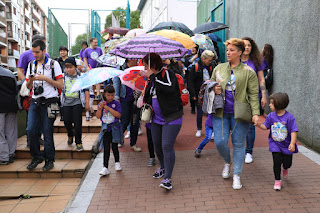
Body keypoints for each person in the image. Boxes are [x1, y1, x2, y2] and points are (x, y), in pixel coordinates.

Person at [211, 38, 260, 190]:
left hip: (240, 113)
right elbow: (210, 83)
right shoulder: (219, 68)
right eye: (227, 50)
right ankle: (227, 161)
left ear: (240, 52)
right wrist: (214, 88)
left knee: (239, 145)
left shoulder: (248, 72)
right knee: (219, 142)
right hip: (220, 112)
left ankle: (237, 175)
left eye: (232, 50)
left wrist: (256, 113)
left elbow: (253, 94)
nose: (228, 53)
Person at [143, 53, 183, 190]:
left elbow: (170, 88)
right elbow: (148, 98)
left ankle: (168, 179)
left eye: (146, 65)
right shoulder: (150, 78)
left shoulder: (168, 73)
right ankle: (163, 166)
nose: (144, 68)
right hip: (156, 119)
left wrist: (153, 78)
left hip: (172, 117)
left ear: (153, 65)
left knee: (166, 146)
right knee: (157, 145)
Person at [25, 40, 64, 171]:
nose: (35, 55)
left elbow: (61, 85)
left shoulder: (53, 64)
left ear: (44, 51)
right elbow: (28, 87)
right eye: (33, 52)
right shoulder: (31, 65)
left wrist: (45, 79)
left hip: (51, 102)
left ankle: (49, 159)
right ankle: (36, 157)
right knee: (31, 130)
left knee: (47, 131)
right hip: (35, 101)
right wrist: (30, 80)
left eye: (37, 52)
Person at [256, 93, 298, 191]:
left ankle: (285, 167)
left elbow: (293, 131)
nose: (269, 105)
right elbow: (265, 126)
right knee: (276, 162)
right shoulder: (271, 116)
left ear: (278, 104)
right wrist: (258, 124)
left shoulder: (289, 117)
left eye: (272, 103)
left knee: (288, 163)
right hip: (275, 144)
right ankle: (277, 180)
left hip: (287, 145)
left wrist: (292, 143)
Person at [241, 37, 267, 164]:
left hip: (253, 96)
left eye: (249, 45)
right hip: (238, 97)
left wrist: (264, 95)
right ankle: (240, 149)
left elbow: (261, 79)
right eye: (244, 45)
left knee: (251, 125)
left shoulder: (257, 61)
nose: (247, 47)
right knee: (239, 125)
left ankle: (248, 152)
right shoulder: (235, 60)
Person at [61, 57, 90, 151]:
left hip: (77, 102)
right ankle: (70, 134)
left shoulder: (81, 76)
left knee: (78, 123)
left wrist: (87, 103)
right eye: (67, 67)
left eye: (70, 67)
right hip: (66, 103)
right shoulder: (63, 77)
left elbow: (86, 90)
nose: (68, 69)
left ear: (75, 67)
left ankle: (78, 142)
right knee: (66, 121)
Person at [113, 59, 142, 152]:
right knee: (124, 121)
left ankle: (133, 143)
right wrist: (116, 97)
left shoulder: (138, 71)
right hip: (124, 99)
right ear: (129, 59)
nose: (136, 61)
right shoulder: (121, 70)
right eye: (134, 59)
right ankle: (119, 140)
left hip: (136, 100)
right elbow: (116, 83)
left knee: (135, 122)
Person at [96, 85, 122, 176]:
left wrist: (109, 109)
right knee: (106, 147)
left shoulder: (117, 103)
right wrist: (100, 108)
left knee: (115, 146)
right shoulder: (101, 104)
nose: (110, 97)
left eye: (112, 95)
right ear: (105, 95)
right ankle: (105, 167)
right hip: (105, 128)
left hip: (114, 127)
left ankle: (117, 162)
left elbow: (119, 115)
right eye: (108, 95)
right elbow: (98, 116)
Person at [188, 50, 215, 137]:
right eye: (209, 60)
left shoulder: (211, 67)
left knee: (210, 113)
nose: (210, 62)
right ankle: (199, 129)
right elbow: (190, 81)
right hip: (199, 93)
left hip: (210, 92)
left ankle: (211, 130)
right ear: (203, 59)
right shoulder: (195, 67)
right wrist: (193, 94)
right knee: (199, 112)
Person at [0, 66, 18, 165]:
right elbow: (16, 90)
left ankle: (3, 157)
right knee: (11, 131)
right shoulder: (10, 74)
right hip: (11, 105)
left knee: (0, 133)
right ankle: (11, 153)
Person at [183, 45, 199, 114]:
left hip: (198, 76)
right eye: (192, 48)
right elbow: (186, 64)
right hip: (189, 76)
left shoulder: (200, 57)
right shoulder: (188, 57)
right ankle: (192, 107)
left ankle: (197, 104)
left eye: (194, 48)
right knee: (191, 90)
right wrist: (193, 59)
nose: (192, 49)